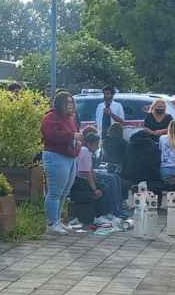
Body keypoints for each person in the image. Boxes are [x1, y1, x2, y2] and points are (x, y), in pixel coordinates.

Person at [41, 91, 81, 233]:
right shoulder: (50, 117)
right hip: (56, 156)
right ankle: (52, 223)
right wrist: (72, 135)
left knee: (64, 192)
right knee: (55, 192)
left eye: (72, 102)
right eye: (68, 103)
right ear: (60, 104)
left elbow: (73, 136)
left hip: (70, 157)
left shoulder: (69, 118)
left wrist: (77, 141)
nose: (71, 105)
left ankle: (57, 220)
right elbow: (52, 135)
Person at [74, 131, 127, 224]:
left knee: (115, 177)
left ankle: (118, 209)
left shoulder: (87, 151)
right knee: (108, 183)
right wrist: (94, 189)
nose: (98, 147)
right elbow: (87, 174)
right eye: (96, 144)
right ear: (89, 143)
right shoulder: (85, 152)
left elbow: (89, 170)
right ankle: (112, 211)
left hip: (85, 176)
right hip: (81, 180)